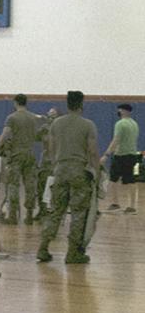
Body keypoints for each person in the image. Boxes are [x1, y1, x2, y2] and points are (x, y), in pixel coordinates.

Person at [37, 91, 100, 264]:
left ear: (67, 104)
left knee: (56, 211)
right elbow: (93, 151)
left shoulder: (56, 123)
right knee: (79, 213)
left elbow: (50, 146)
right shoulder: (88, 125)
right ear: (81, 104)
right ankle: (73, 253)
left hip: (60, 169)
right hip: (79, 171)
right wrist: (98, 172)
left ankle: (43, 248)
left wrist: (55, 164)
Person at [0, 94, 39, 225]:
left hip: (16, 155)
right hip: (30, 154)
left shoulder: (12, 117)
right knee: (30, 185)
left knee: (13, 184)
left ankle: (13, 215)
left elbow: (6, 134)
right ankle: (30, 214)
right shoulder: (33, 118)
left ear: (15, 103)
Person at [101, 103, 139, 214]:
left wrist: (106, 154)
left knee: (113, 179)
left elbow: (116, 140)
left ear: (122, 111)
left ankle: (115, 204)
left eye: (119, 110)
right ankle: (131, 207)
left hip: (121, 155)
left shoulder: (120, 123)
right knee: (131, 180)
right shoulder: (134, 124)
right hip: (132, 155)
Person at [34, 108, 59, 220]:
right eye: (49, 114)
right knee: (41, 187)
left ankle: (54, 211)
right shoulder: (44, 128)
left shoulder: (61, 129)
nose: (50, 116)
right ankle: (42, 210)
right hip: (44, 162)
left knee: (55, 188)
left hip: (56, 163)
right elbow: (35, 137)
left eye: (53, 115)